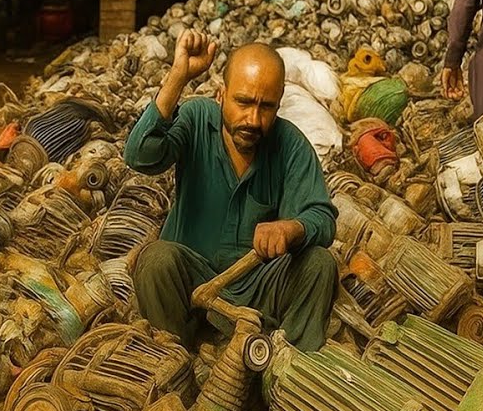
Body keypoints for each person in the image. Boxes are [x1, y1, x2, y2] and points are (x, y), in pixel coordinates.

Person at [124, 34, 338, 352]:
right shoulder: (197, 119)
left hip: (256, 287)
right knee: (155, 259)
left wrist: (292, 228)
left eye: (266, 107)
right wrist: (177, 76)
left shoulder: (290, 145)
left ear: (279, 104)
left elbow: (322, 217)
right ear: (220, 95)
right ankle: (171, 362)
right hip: (191, 282)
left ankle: (287, 371)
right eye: (243, 102)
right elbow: (140, 155)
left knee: (320, 263)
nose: (253, 119)